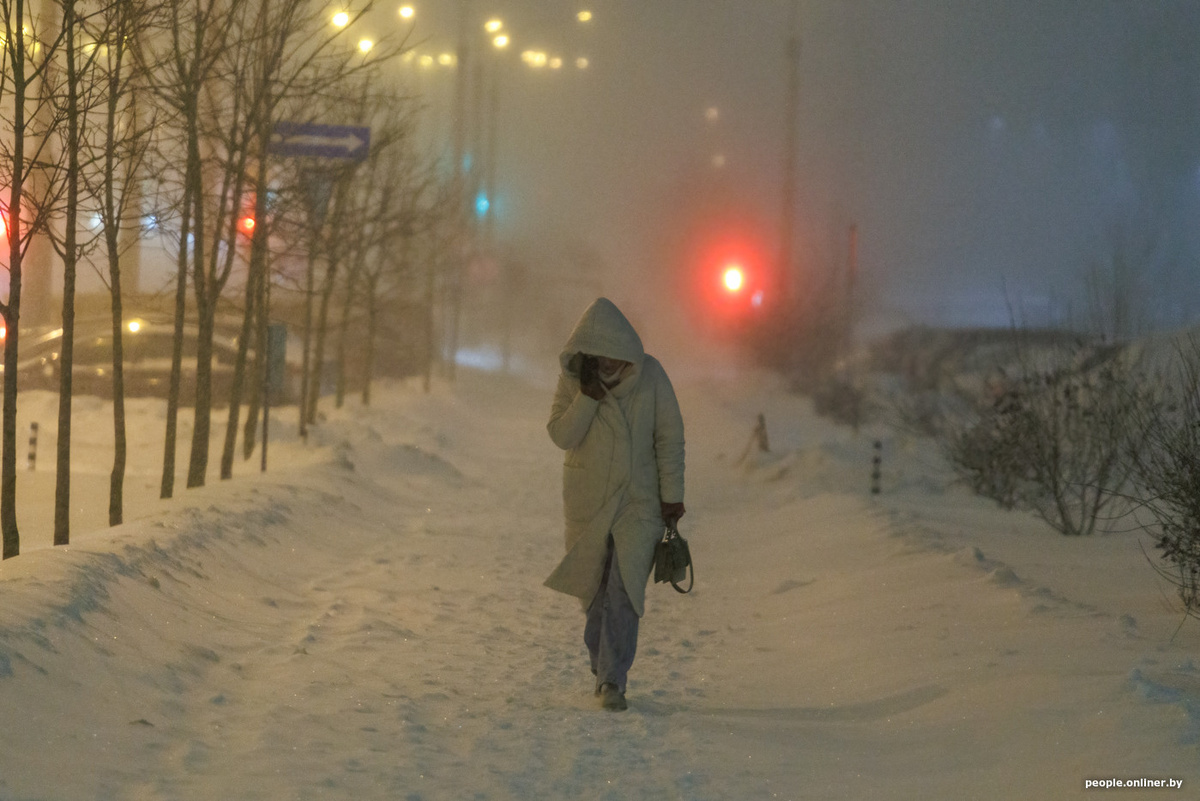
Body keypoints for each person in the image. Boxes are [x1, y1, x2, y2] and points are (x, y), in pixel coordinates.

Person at [545, 297, 686, 712]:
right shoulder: (574, 380)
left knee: (624, 590)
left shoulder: (652, 377)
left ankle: (612, 680)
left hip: (639, 503)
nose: (606, 365)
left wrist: (671, 498)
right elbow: (561, 435)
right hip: (588, 501)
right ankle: (603, 663)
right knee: (593, 593)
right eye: (598, 356)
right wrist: (586, 398)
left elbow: (670, 439)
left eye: (613, 357)